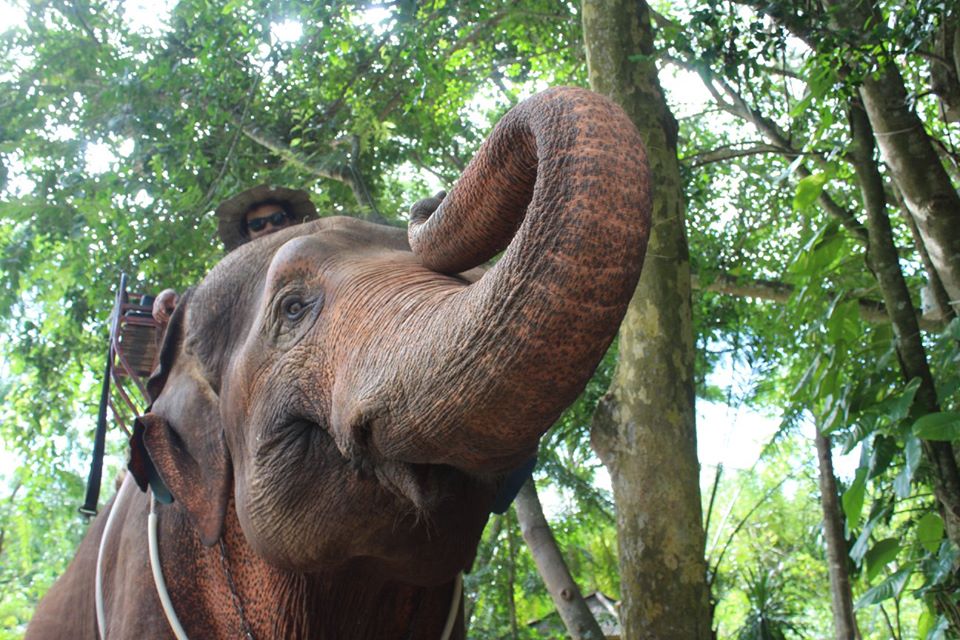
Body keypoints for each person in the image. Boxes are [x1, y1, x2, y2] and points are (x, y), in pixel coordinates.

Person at [152, 184, 318, 327]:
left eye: (277, 219)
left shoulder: (317, 257)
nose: (269, 227)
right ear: (249, 235)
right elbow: (205, 305)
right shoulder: (239, 276)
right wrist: (170, 296)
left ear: (292, 222)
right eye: (257, 224)